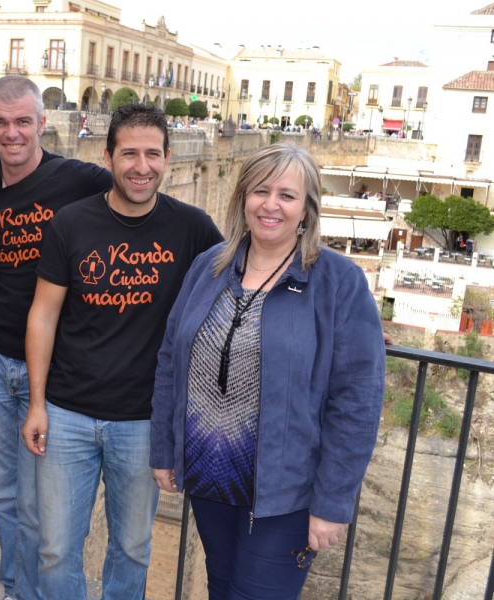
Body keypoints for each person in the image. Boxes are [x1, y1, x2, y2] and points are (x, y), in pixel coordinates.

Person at [150, 142, 386, 599]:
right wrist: (165, 450)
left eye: (287, 195)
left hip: (286, 496)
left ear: (307, 209)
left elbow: (357, 400)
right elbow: (169, 361)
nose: (271, 204)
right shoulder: (210, 266)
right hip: (210, 480)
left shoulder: (338, 282)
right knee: (221, 589)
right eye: (260, 191)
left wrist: (333, 502)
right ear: (243, 198)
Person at [21, 103, 223, 599]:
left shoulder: (193, 228)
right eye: (128, 153)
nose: (141, 165)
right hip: (67, 414)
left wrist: (343, 312)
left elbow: (249, 273)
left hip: (143, 422)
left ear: (168, 159)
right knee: (55, 550)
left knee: (131, 549)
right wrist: (37, 403)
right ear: (108, 157)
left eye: (152, 153)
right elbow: (43, 315)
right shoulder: (71, 224)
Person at [0, 75, 113, 600]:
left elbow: (139, 200)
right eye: (0, 123)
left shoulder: (78, 178)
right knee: (2, 491)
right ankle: (14, 585)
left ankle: (29, 593)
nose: (12, 133)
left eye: (22, 121)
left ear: (41, 124)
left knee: (34, 502)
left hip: (45, 366)